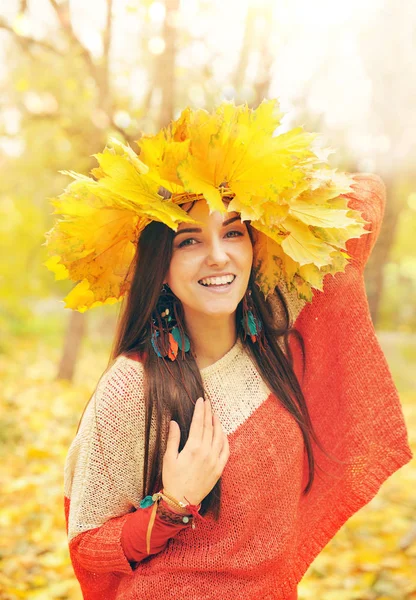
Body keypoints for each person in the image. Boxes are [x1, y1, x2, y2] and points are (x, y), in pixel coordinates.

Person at [45, 100, 412, 600]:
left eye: (234, 231)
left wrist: (269, 187)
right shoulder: (133, 390)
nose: (218, 255)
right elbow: (88, 547)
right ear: (162, 265)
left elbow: (366, 202)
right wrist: (173, 505)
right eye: (189, 240)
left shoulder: (278, 331)